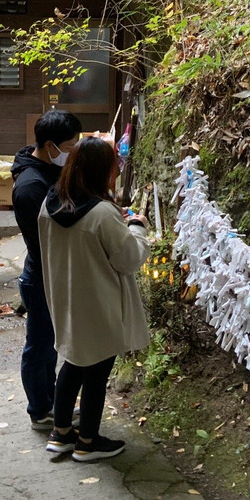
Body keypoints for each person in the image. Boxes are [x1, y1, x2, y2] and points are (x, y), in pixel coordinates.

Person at [38, 136, 149, 462]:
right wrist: (137, 228)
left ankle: (60, 434)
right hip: (99, 302)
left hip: (64, 296)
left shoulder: (50, 203)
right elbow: (128, 259)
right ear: (104, 172)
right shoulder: (101, 213)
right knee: (97, 373)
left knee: (72, 362)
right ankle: (87, 441)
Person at [10, 110, 82, 430]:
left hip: (53, 272)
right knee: (39, 347)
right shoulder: (30, 187)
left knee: (49, 345)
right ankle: (39, 411)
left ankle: (50, 403)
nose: (74, 150)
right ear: (50, 146)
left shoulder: (45, 168)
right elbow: (44, 240)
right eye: (70, 145)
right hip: (42, 276)